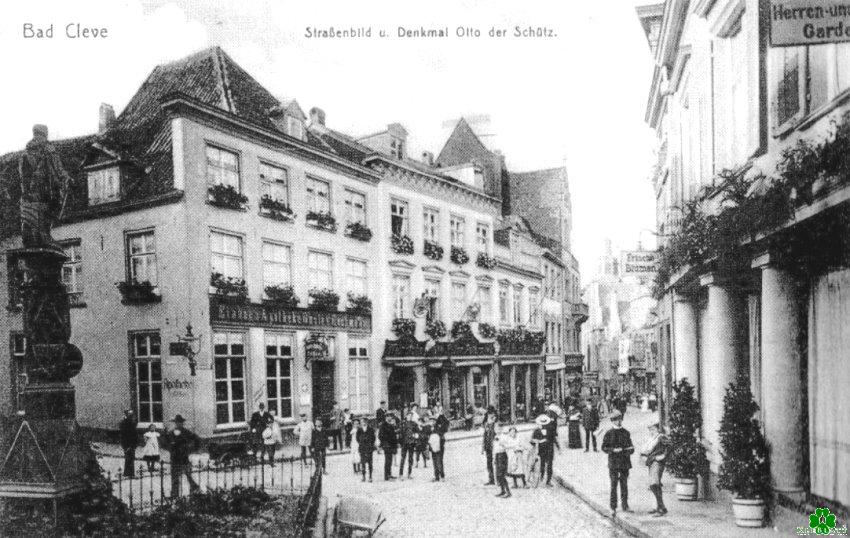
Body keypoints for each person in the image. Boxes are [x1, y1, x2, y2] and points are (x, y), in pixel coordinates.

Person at [601, 410, 634, 516]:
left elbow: (631, 448)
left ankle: (625, 505)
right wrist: (613, 450)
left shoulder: (626, 432)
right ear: (612, 421)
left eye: (620, 419)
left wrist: (627, 451)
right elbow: (604, 447)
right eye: (615, 420)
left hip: (624, 462)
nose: (618, 422)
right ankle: (613, 507)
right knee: (613, 485)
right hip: (614, 463)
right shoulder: (609, 433)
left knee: (624, 484)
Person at [166, 414, 199, 497]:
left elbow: (196, 439)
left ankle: (194, 489)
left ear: (182, 423)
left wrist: (191, 449)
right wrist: (170, 448)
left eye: (180, 422)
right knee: (175, 477)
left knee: (188, 474)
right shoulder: (171, 432)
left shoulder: (186, 432)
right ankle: (175, 495)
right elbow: (166, 443)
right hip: (174, 458)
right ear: (175, 423)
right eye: (177, 422)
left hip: (184, 457)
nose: (178, 424)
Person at [641, 421, 669, 517]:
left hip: (657, 463)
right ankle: (660, 507)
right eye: (650, 429)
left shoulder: (661, 437)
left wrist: (663, 456)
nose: (651, 431)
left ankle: (661, 508)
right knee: (654, 484)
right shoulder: (652, 438)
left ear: (657, 429)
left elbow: (669, 446)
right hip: (652, 462)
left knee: (654, 485)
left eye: (653, 429)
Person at [531, 414, 554, 486]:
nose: (543, 424)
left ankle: (548, 480)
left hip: (549, 449)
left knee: (550, 465)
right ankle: (541, 478)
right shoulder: (536, 431)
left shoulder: (550, 430)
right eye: (541, 423)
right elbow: (532, 441)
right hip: (541, 450)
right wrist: (538, 441)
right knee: (542, 464)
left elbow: (553, 439)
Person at [399, 412, 419, 479]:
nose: (410, 417)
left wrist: (415, 436)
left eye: (411, 416)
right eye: (408, 415)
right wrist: (401, 442)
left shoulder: (414, 424)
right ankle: (401, 474)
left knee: (410, 459)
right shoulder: (403, 424)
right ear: (406, 416)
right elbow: (400, 433)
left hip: (412, 443)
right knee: (403, 459)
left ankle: (409, 474)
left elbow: (417, 432)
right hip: (404, 443)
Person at [493, 423, 511, 498]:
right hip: (497, 455)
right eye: (496, 429)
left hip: (502, 455)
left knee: (502, 474)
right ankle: (502, 490)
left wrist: (503, 444)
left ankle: (508, 492)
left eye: (498, 429)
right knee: (498, 475)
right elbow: (495, 448)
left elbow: (509, 445)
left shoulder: (504, 436)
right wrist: (494, 458)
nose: (497, 430)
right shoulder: (496, 436)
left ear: (501, 429)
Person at [119, 409, 139, 478]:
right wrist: (126, 446)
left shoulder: (132, 422)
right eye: (130, 414)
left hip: (132, 443)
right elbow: (123, 435)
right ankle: (128, 473)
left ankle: (130, 473)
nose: (132, 416)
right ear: (127, 415)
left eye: (132, 414)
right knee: (128, 458)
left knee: (131, 458)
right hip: (127, 443)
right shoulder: (124, 423)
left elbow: (135, 434)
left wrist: (135, 444)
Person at [378, 414, 398, 480]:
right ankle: (386, 476)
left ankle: (389, 474)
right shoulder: (383, 425)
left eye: (391, 417)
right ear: (386, 417)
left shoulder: (391, 425)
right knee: (387, 460)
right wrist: (385, 442)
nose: (390, 418)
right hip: (386, 445)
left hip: (391, 445)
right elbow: (380, 436)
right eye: (388, 416)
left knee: (390, 460)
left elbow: (394, 435)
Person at [482, 412, 497, 485]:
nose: (492, 419)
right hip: (488, 447)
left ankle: (498, 480)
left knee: (496, 463)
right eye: (490, 418)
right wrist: (482, 448)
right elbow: (484, 437)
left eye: (492, 417)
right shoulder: (487, 426)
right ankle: (491, 479)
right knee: (489, 464)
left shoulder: (495, 426)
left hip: (494, 448)